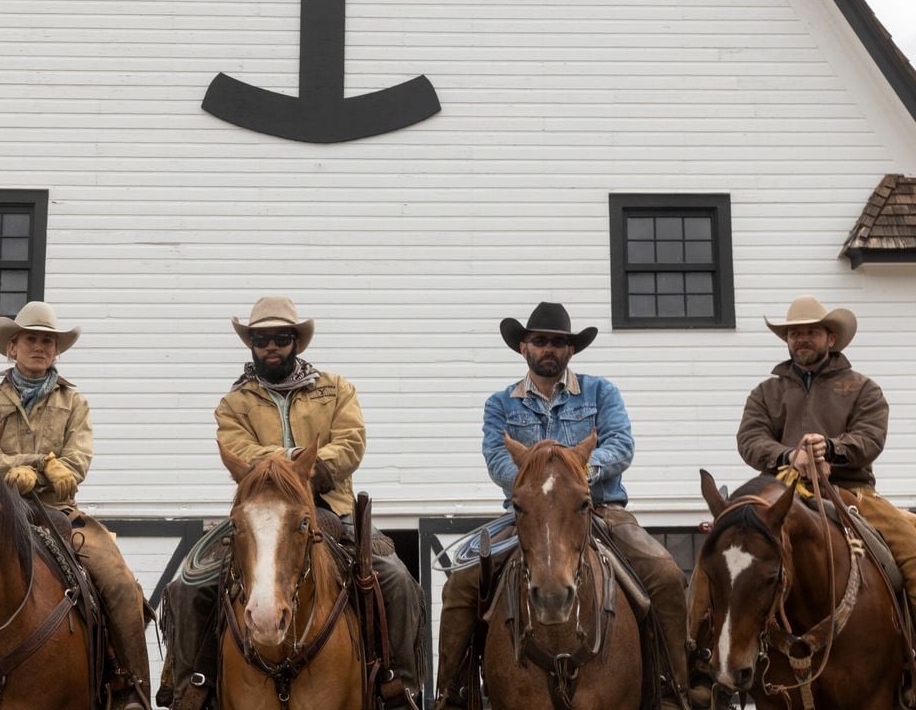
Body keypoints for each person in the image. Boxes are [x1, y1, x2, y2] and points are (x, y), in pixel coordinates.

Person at [157, 296, 425, 710]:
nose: (272, 346)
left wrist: (307, 468)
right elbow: (237, 450)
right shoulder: (233, 404)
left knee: (396, 580)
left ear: (296, 341)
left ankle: (398, 686)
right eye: (262, 338)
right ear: (251, 343)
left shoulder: (337, 389)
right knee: (186, 586)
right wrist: (294, 460)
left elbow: (351, 442)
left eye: (281, 337)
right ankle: (194, 685)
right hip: (259, 510)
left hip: (329, 507)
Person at [435, 301, 705, 710]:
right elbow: (496, 458)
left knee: (665, 575)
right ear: (523, 347)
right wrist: (539, 489)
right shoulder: (500, 404)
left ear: (571, 351)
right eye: (540, 341)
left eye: (558, 343)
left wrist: (578, 476)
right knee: (460, 584)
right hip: (526, 515)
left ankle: (674, 690)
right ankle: (450, 694)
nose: (549, 349)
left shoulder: (601, 392)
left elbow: (621, 444)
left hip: (599, 509)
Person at [0, 301, 152, 710]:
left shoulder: (75, 403)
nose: (40, 347)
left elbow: (78, 459)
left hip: (62, 514)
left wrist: (53, 468)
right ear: (11, 348)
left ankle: (130, 688)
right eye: (31, 340)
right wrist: (28, 466)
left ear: (56, 351)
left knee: (121, 584)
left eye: (47, 342)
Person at [735, 294, 916, 616]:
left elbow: (870, 437)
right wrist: (790, 456)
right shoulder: (766, 392)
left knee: (913, 553)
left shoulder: (863, 388)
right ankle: (704, 654)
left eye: (811, 332)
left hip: (852, 491)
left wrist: (828, 449)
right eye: (794, 333)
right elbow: (750, 439)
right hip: (780, 489)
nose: (801, 339)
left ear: (830, 339)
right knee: (725, 551)